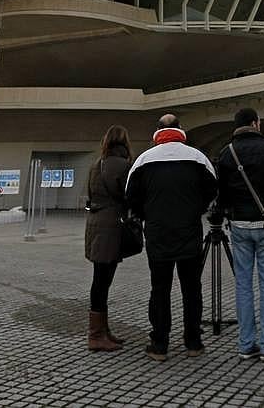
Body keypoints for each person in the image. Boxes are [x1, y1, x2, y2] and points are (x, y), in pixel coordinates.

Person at [125, 114, 218, 361]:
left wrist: (149, 214)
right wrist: (194, 209)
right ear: (180, 130)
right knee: (191, 289)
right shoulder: (198, 158)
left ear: (157, 131)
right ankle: (193, 342)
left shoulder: (143, 160)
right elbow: (212, 191)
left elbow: (131, 197)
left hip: (157, 234)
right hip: (189, 233)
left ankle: (159, 344)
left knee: (160, 289)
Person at [213, 106, 264, 361]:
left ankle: (246, 344)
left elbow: (220, 194)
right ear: (256, 123)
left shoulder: (226, 153)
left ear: (235, 126)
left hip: (238, 226)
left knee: (243, 285)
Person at [84, 124, 134, 352]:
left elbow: (91, 194)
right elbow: (129, 195)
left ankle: (102, 330)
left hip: (95, 224)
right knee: (103, 280)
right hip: (111, 226)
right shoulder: (124, 166)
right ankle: (96, 335)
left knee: (100, 279)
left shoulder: (96, 164)